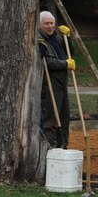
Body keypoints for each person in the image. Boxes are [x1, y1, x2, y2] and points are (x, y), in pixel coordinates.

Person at [37, 10, 75, 148]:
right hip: (48, 84)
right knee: (51, 119)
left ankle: (63, 146)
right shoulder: (39, 40)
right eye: (46, 23)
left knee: (64, 117)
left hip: (62, 83)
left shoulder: (57, 37)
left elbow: (70, 52)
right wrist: (65, 64)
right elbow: (45, 61)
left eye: (52, 23)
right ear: (40, 25)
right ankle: (50, 148)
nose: (50, 26)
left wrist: (68, 37)